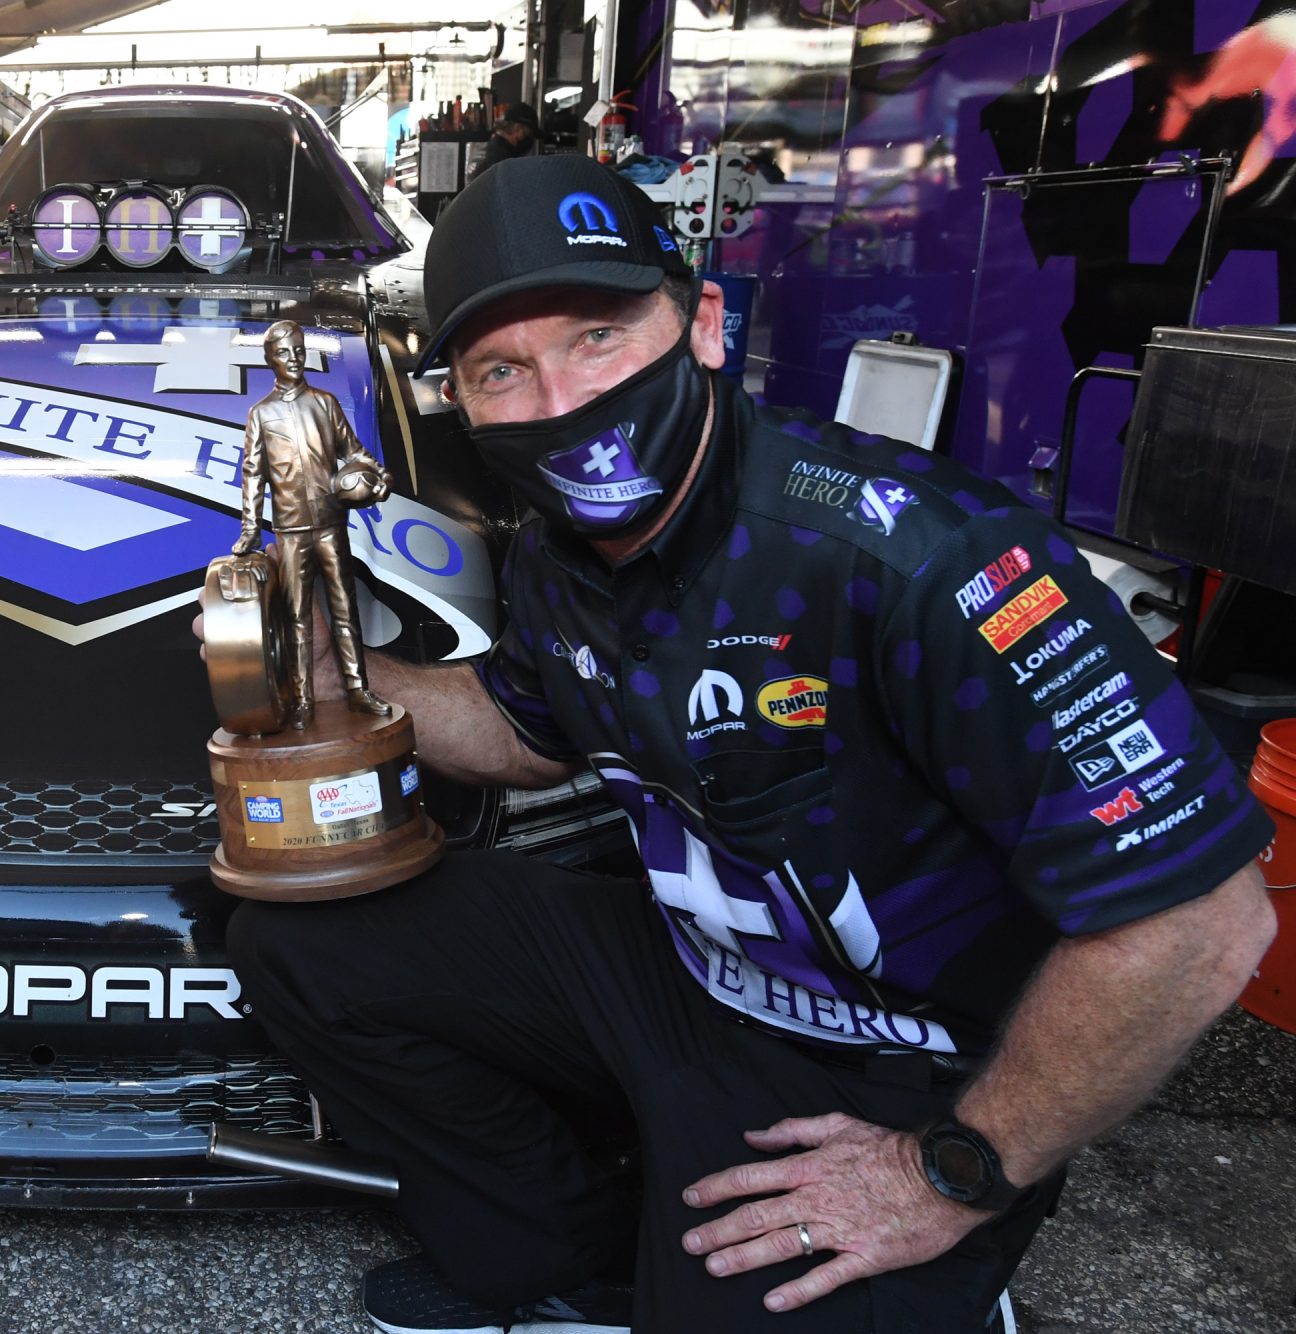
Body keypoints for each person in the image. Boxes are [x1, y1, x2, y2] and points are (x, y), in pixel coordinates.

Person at [223, 154, 1277, 1334]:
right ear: (457, 401)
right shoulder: (556, 548)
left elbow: (1199, 922)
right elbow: (527, 732)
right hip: (688, 974)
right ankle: (564, 1259)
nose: (558, 397)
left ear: (705, 325)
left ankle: (931, 1264)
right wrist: (327, 677)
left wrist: (950, 1167)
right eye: (499, 370)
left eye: (598, 336)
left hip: (895, 1064)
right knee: (304, 937)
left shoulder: (926, 557)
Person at [232, 320, 395, 726]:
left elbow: (356, 453)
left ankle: (357, 691)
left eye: (299, 350)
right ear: (270, 358)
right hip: (289, 531)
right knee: (296, 619)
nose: (294, 359)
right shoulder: (261, 414)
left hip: (331, 525)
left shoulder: (324, 403)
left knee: (345, 611)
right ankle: (302, 699)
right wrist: (251, 527)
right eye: (284, 352)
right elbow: (252, 473)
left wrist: (379, 480)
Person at [468, 101, 539, 183]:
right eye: (529, 134)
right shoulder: (504, 162)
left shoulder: (490, 149)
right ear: (518, 129)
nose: (531, 141)